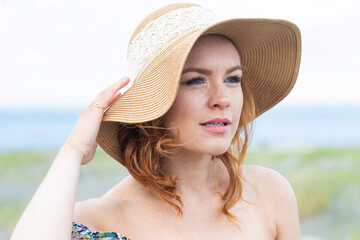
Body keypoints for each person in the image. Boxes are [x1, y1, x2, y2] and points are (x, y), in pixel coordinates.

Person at [11, 3, 301, 240]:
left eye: (232, 79)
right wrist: (72, 151)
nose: (221, 98)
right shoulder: (99, 220)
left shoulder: (269, 194)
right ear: (155, 103)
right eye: (196, 80)